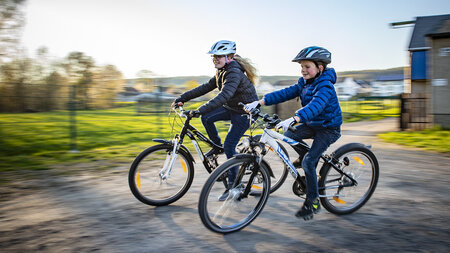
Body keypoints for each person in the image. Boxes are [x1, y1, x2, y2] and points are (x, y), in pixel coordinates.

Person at [244, 46, 342, 220]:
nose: (303, 70)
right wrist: (260, 101)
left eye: (307, 66)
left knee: (309, 162)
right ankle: (305, 157)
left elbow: (316, 106)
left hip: (328, 128)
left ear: (320, 68)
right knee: (289, 135)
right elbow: (286, 93)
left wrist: (296, 118)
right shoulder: (304, 83)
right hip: (313, 124)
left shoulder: (325, 86)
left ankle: (313, 201)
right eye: (301, 67)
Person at [172, 40, 259, 201]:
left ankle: (234, 186)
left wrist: (199, 109)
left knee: (230, 145)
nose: (215, 60)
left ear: (229, 57)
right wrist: (182, 98)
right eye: (214, 57)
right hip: (233, 108)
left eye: (219, 57)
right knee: (207, 117)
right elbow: (205, 87)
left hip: (245, 112)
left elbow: (224, 95)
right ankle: (217, 148)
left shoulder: (234, 72)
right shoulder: (222, 70)